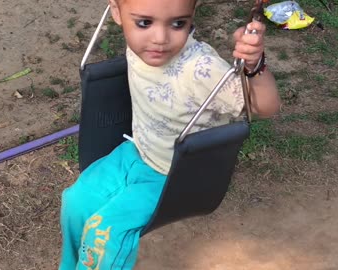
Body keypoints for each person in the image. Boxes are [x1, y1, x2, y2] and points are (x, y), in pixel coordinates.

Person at [59, 0, 281, 269]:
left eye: (178, 24)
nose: (160, 38)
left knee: (107, 232)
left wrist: (255, 66)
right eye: (144, 23)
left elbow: (265, 107)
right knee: (75, 202)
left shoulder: (201, 69)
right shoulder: (139, 46)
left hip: (174, 177)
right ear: (116, 13)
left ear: (192, 15)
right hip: (136, 151)